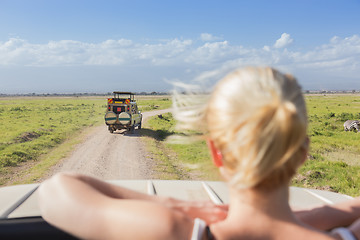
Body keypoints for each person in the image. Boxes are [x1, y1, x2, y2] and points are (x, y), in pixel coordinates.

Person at [38, 66, 360, 240]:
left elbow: (57, 190)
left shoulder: (177, 230)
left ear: (215, 152)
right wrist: (328, 215)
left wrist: (172, 204)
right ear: (302, 152)